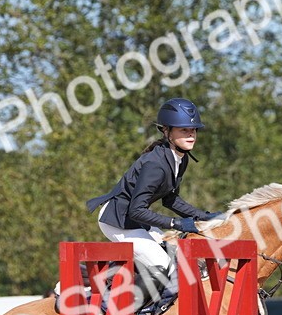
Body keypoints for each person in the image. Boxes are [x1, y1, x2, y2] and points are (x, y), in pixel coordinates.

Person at [85, 98, 222, 304]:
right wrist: (176, 223)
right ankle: (114, 313)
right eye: (184, 130)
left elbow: (170, 199)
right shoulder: (155, 165)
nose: (191, 135)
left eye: (193, 130)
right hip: (118, 222)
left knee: (172, 255)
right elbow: (136, 210)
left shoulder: (180, 158)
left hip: (136, 222)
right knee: (162, 265)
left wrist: (204, 216)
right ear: (167, 131)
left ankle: (145, 308)